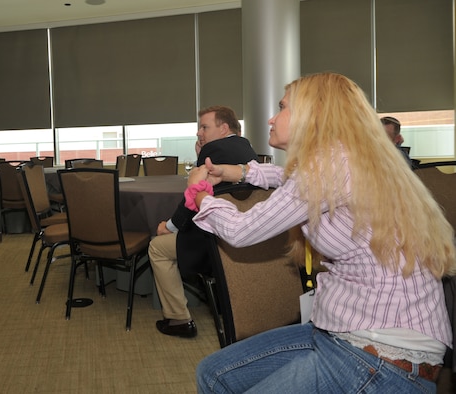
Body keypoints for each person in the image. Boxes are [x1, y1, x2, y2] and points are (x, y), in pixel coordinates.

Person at [186, 73, 455, 392]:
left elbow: (242, 230)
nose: (272, 118)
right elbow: (289, 178)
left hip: (380, 357)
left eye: (283, 107)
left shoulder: (328, 166)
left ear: (314, 115)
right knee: (213, 372)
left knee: (215, 376)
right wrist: (239, 171)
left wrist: (199, 193)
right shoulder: (347, 160)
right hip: (352, 331)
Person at [149, 106, 257, 338]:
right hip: (249, 240)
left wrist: (169, 227)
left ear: (224, 128)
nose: (199, 132)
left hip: (215, 241)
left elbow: (194, 197)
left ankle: (179, 319)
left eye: (205, 127)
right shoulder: (247, 148)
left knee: (157, 247)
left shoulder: (213, 150)